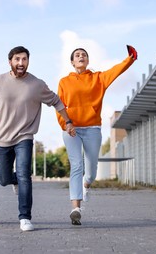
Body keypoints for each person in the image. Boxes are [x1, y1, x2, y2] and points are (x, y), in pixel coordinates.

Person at [0, 46, 76, 232]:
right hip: (2, 137)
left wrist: (68, 121)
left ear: (28, 61)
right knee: (3, 179)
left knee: (25, 174)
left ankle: (25, 217)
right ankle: (14, 180)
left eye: (24, 59)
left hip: (25, 136)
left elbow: (56, 101)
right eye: (17, 59)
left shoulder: (37, 84)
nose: (21, 63)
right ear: (10, 61)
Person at [56, 45, 137, 225]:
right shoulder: (64, 82)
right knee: (76, 165)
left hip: (92, 128)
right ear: (72, 61)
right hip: (71, 129)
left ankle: (87, 184)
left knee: (91, 170)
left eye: (84, 54)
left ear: (88, 60)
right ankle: (75, 208)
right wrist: (65, 124)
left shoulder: (98, 78)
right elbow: (59, 106)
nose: (80, 56)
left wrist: (130, 59)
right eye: (77, 55)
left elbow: (116, 71)